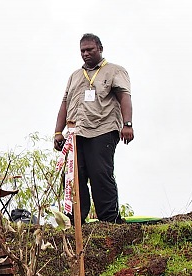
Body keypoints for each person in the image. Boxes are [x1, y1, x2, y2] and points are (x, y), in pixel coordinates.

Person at [54, 33, 133, 223]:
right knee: (74, 176)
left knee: (100, 173)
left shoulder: (114, 71)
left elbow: (124, 97)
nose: (86, 53)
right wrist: (58, 132)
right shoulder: (74, 76)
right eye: (82, 50)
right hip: (76, 132)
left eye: (90, 49)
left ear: (100, 49)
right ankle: (76, 221)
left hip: (102, 128)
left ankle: (109, 220)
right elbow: (64, 103)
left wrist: (127, 124)